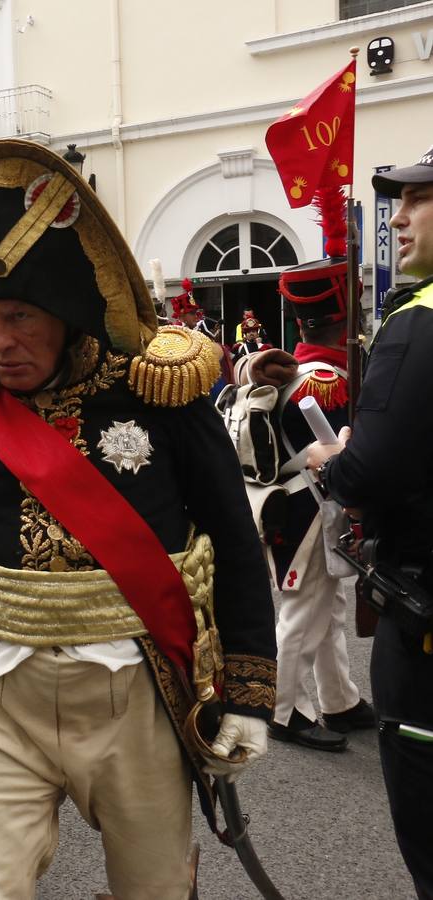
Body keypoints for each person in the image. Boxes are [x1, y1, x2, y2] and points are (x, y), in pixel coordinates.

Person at [0, 140, 277, 900]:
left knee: (154, 891)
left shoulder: (158, 390)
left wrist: (248, 691)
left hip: (137, 695)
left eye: (20, 315)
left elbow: (235, 541)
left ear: (69, 310)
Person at [307, 146, 433, 898]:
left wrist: (335, 460)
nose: (399, 217)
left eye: (420, 200)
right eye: (398, 200)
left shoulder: (417, 323)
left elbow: (367, 475)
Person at [235, 190, 373, 752]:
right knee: (303, 612)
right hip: (308, 505)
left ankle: (338, 699)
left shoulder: (299, 369)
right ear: (344, 316)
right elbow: (344, 451)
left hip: (303, 504)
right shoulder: (325, 379)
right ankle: (283, 710)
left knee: (326, 607)